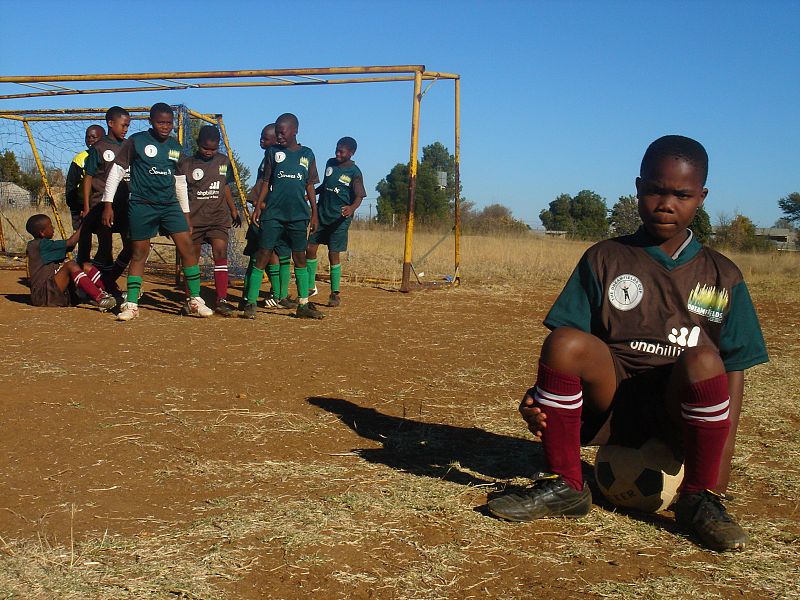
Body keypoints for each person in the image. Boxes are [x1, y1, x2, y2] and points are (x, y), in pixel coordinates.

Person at [486, 135, 769, 552]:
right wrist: (541, 399)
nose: (666, 203)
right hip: (613, 402)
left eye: (681, 194)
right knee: (564, 342)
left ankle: (697, 499)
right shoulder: (606, 259)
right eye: (655, 189)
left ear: (701, 197)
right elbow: (568, 352)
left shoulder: (719, 276)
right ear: (638, 188)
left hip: (678, 412)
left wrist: (718, 474)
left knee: (707, 359)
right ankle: (567, 483)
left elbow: (734, 371)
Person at [100, 102, 213, 321]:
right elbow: (116, 171)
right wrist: (107, 203)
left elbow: (180, 181)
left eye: (169, 123)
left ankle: (194, 300)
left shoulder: (175, 146)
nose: (165, 126)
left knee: (187, 248)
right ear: (150, 121)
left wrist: (186, 214)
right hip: (142, 205)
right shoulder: (137, 141)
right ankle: (131, 303)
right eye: (160, 122)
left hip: (169, 205)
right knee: (139, 253)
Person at [241, 113, 322, 319]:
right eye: (277, 132)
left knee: (299, 257)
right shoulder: (272, 153)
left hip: (298, 215)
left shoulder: (307, 154)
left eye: (282, 132)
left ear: (295, 131)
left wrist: (314, 213)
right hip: (274, 214)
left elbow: (310, 185)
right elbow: (266, 182)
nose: (279, 136)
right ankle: (250, 303)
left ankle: (303, 304)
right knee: (263, 254)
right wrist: (258, 207)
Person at [177, 125, 242, 316]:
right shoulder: (187, 164)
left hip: (218, 217)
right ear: (198, 144)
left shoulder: (223, 161)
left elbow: (225, 186)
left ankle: (221, 299)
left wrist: (233, 209)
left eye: (213, 149)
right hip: (195, 219)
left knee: (220, 252)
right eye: (206, 148)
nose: (209, 152)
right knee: (192, 259)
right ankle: (192, 299)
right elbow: (180, 191)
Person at [306, 136, 365, 307]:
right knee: (310, 248)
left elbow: (360, 195)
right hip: (321, 214)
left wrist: (352, 208)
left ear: (351, 153)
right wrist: (311, 194)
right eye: (336, 150)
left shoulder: (355, 172)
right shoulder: (330, 163)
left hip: (339, 219)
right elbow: (325, 185)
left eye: (341, 151)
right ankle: (310, 286)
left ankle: (335, 293)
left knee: (333, 254)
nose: (337, 153)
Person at [79, 106, 132, 294]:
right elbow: (88, 177)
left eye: (128, 125)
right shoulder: (99, 148)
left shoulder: (129, 146)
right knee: (105, 247)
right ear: (111, 123)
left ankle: (108, 281)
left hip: (124, 206)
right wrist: (86, 206)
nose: (126, 129)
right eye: (123, 125)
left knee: (132, 246)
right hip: (102, 206)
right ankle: (102, 287)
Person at [240, 123, 292, 309]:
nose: (261, 141)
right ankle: (254, 296)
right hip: (265, 212)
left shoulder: (278, 160)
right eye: (261, 137)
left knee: (269, 254)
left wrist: (261, 204)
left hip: (271, 214)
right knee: (261, 254)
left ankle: (277, 294)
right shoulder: (267, 159)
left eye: (265, 138)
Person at [25, 214, 116, 310]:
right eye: (50, 226)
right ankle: (100, 298)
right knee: (70, 265)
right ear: (42, 233)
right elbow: (71, 243)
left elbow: (69, 247)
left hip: (51, 292)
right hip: (43, 296)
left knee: (85, 266)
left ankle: (114, 292)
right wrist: (85, 223)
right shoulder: (40, 245)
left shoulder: (41, 245)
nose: (53, 228)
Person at [65, 125, 104, 230]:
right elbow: (71, 184)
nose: (90, 140)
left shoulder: (108, 156)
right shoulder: (80, 158)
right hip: (81, 205)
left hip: (101, 204)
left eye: (94, 137)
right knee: (83, 234)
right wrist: (75, 207)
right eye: (87, 137)